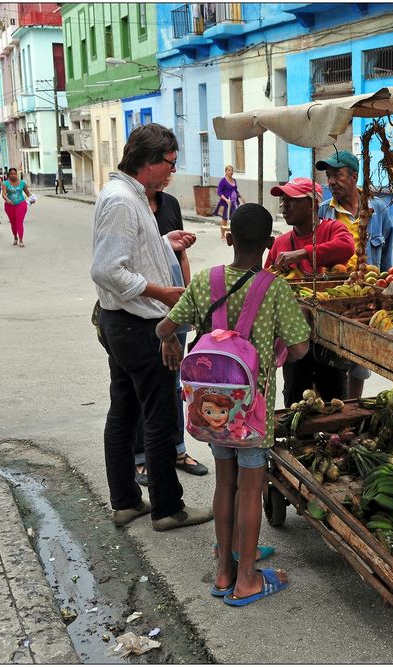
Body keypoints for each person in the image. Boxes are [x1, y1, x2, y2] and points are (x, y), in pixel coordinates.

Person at [156, 202, 310, 606]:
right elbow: (299, 348)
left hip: (211, 409)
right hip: (252, 413)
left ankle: (224, 569)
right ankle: (246, 580)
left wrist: (169, 342)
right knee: (250, 487)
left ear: (230, 237)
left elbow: (164, 325)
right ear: (269, 243)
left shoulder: (207, 279)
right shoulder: (275, 287)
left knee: (225, 484)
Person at [90, 122, 213, 532]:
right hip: (134, 326)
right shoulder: (124, 200)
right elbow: (108, 270)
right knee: (159, 416)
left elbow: (130, 252)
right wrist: (163, 294)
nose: (172, 172)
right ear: (147, 161)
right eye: (170, 164)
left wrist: (165, 244)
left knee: (124, 411)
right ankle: (167, 508)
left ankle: (126, 501)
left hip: (123, 324)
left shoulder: (132, 196)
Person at [131, 174, 208, 486]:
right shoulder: (130, 207)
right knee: (145, 386)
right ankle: (140, 457)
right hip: (143, 311)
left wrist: (187, 299)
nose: (169, 174)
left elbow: (180, 256)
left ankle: (178, 449)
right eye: (166, 163)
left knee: (176, 383)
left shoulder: (170, 205)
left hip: (174, 307)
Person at [315, 149, 393, 399]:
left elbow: (385, 259)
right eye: (328, 176)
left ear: (353, 176)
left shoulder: (377, 209)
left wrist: (386, 292)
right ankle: (327, 410)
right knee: (328, 360)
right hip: (332, 296)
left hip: (365, 294)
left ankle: (352, 407)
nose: (331, 181)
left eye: (337, 175)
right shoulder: (322, 212)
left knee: (360, 362)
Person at [267, 177, 355, 405]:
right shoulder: (281, 243)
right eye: (282, 201)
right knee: (295, 397)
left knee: (334, 398)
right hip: (294, 336)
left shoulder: (332, 228)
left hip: (329, 337)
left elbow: (347, 247)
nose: (284, 206)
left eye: (291, 200)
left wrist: (304, 253)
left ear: (312, 204)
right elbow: (266, 281)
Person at [3, 167, 34, 247]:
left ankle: (21, 240)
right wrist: (7, 199)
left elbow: (28, 193)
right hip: (9, 205)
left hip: (21, 204)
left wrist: (32, 198)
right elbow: (3, 194)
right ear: (9, 175)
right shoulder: (5, 183)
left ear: (17, 174)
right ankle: (15, 237)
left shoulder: (22, 183)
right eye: (11, 174)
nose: (13, 175)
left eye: (15, 174)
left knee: (19, 222)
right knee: (13, 223)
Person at [213, 165, 243, 240]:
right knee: (224, 219)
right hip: (225, 203)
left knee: (234, 219)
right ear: (226, 171)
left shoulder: (234, 180)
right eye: (229, 170)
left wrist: (240, 196)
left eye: (232, 170)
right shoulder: (223, 181)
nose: (231, 172)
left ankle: (233, 234)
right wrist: (226, 200)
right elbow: (219, 192)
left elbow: (235, 190)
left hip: (234, 203)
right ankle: (223, 235)